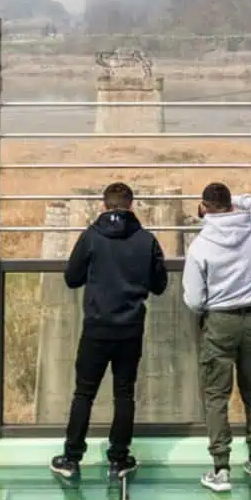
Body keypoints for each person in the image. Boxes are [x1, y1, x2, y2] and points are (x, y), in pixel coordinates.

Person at [50, 182, 168, 480]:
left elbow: (71, 278)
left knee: (84, 393)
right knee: (124, 394)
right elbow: (160, 285)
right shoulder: (147, 240)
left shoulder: (91, 237)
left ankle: (72, 457)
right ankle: (119, 459)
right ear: (131, 206)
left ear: (104, 206)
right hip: (130, 329)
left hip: (96, 328)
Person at [182, 183, 251, 492]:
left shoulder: (200, 245)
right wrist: (237, 200)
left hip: (220, 321)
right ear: (228, 204)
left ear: (204, 207)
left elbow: (195, 299)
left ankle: (221, 469)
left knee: (216, 395)